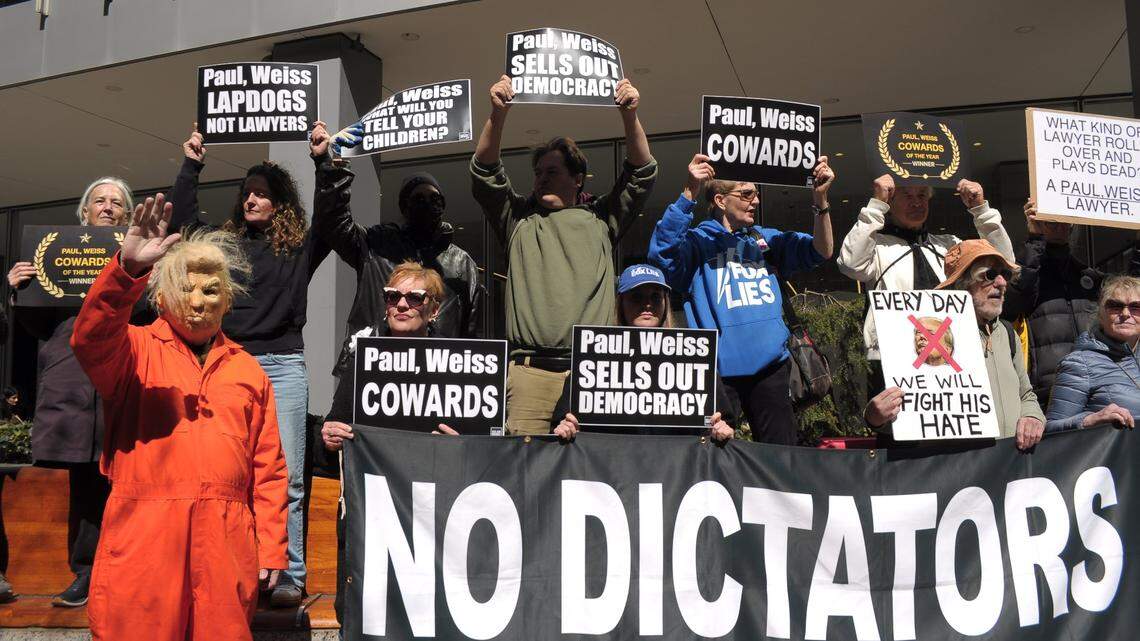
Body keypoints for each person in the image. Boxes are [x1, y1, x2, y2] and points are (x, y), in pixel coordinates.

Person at [71, 194, 288, 641]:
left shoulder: (248, 369)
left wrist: (272, 547)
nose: (198, 300)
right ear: (162, 295)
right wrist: (125, 272)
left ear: (227, 299)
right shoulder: (132, 350)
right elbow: (90, 339)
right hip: (144, 537)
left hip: (226, 541)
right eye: (185, 287)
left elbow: (268, 470)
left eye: (211, 290)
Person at [170, 124, 332, 606]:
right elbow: (185, 225)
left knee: (289, 475)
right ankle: (239, 563)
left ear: (279, 201)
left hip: (283, 364)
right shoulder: (224, 245)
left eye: (261, 193)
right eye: (247, 193)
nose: (251, 200)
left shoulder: (299, 247)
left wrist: (323, 161)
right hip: (229, 362)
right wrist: (191, 165)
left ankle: (288, 573)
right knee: (228, 470)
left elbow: (328, 215)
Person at [470, 74, 657, 435]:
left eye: (552, 171)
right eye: (537, 172)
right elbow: (484, 173)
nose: (541, 178)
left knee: (593, 481)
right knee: (526, 478)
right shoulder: (518, 219)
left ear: (578, 178)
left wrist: (629, 116)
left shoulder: (602, 219)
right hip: (528, 377)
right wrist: (498, 114)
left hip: (594, 375)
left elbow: (641, 173)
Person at [6, 176, 134, 608]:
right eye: (99, 200)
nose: (107, 207)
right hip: (73, 382)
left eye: (117, 202)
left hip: (124, 378)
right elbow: (39, 328)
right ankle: (87, 573)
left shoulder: (140, 260)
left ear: (127, 216)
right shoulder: (56, 257)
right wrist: (22, 291)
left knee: (128, 480)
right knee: (85, 482)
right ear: (83, 212)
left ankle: (126, 573)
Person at [648, 153, 835, 444]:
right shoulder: (698, 243)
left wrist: (820, 201)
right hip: (717, 374)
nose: (756, 201)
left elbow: (821, 251)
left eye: (756, 194)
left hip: (771, 368)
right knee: (716, 459)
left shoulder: (765, 239)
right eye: (746, 194)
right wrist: (689, 193)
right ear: (721, 200)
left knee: (780, 459)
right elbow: (662, 256)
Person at [320, 261, 457, 630]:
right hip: (372, 511)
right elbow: (335, 426)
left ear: (434, 309)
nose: (401, 305)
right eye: (392, 296)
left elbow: (482, 446)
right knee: (360, 604)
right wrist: (329, 435)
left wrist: (457, 446)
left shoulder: (458, 364)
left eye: (414, 298)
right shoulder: (364, 358)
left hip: (433, 510)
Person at [308, 122, 483, 382]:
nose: (427, 205)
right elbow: (332, 223)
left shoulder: (461, 262)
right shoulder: (376, 243)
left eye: (434, 200)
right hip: (375, 364)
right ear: (404, 206)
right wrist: (327, 164)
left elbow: (471, 330)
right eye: (418, 199)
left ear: (443, 206)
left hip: (436, 372)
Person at [837, 174, 1014, 390]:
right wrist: (876, 205)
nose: (916, 202)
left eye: (922, 195)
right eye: (907, 195)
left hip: (953, 364)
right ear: (890, 201)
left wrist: (981, 210)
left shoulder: (949, 247)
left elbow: (1003, 263)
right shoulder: (877, 249)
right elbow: (850, 264)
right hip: (892, 365)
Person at [865, 239, 1045, 450]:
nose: (1002, 283)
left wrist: (1032, 416)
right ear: (962, 285)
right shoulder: (925, 332)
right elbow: (913, 415)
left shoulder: (1007, 333)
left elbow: (1026, 394)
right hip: (960, 473)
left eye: (1004, 275)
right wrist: (875, 418)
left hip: (1009, 467)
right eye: (989, 275)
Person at [551, 263, 735, 442]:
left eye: (655, 297)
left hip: (676, 467)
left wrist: (721, 429)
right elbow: (562, 421)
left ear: (665, 303)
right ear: (621, 303)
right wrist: (567, 428)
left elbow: (724, 421)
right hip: (611, 466)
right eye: (636, 297)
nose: (647, 304)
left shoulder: (695, 358)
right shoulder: (592, 358)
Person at [1003, 199, 1140, 412]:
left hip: (1100, 385)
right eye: (1051, 221)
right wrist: (1036, 237)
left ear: (1073, 223)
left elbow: (1131, 292)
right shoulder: (1032, 276)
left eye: (1065, 220)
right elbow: (1012, 301)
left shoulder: (1089, 277)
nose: (1059, 226)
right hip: (1048, 391)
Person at [1045, 275, 1140, 432]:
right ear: (1101, 315)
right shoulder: (1079, 364)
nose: (1125, 313)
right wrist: (1090, 420)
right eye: (1115, 306)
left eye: (1135, 307)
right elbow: (1051, 429)